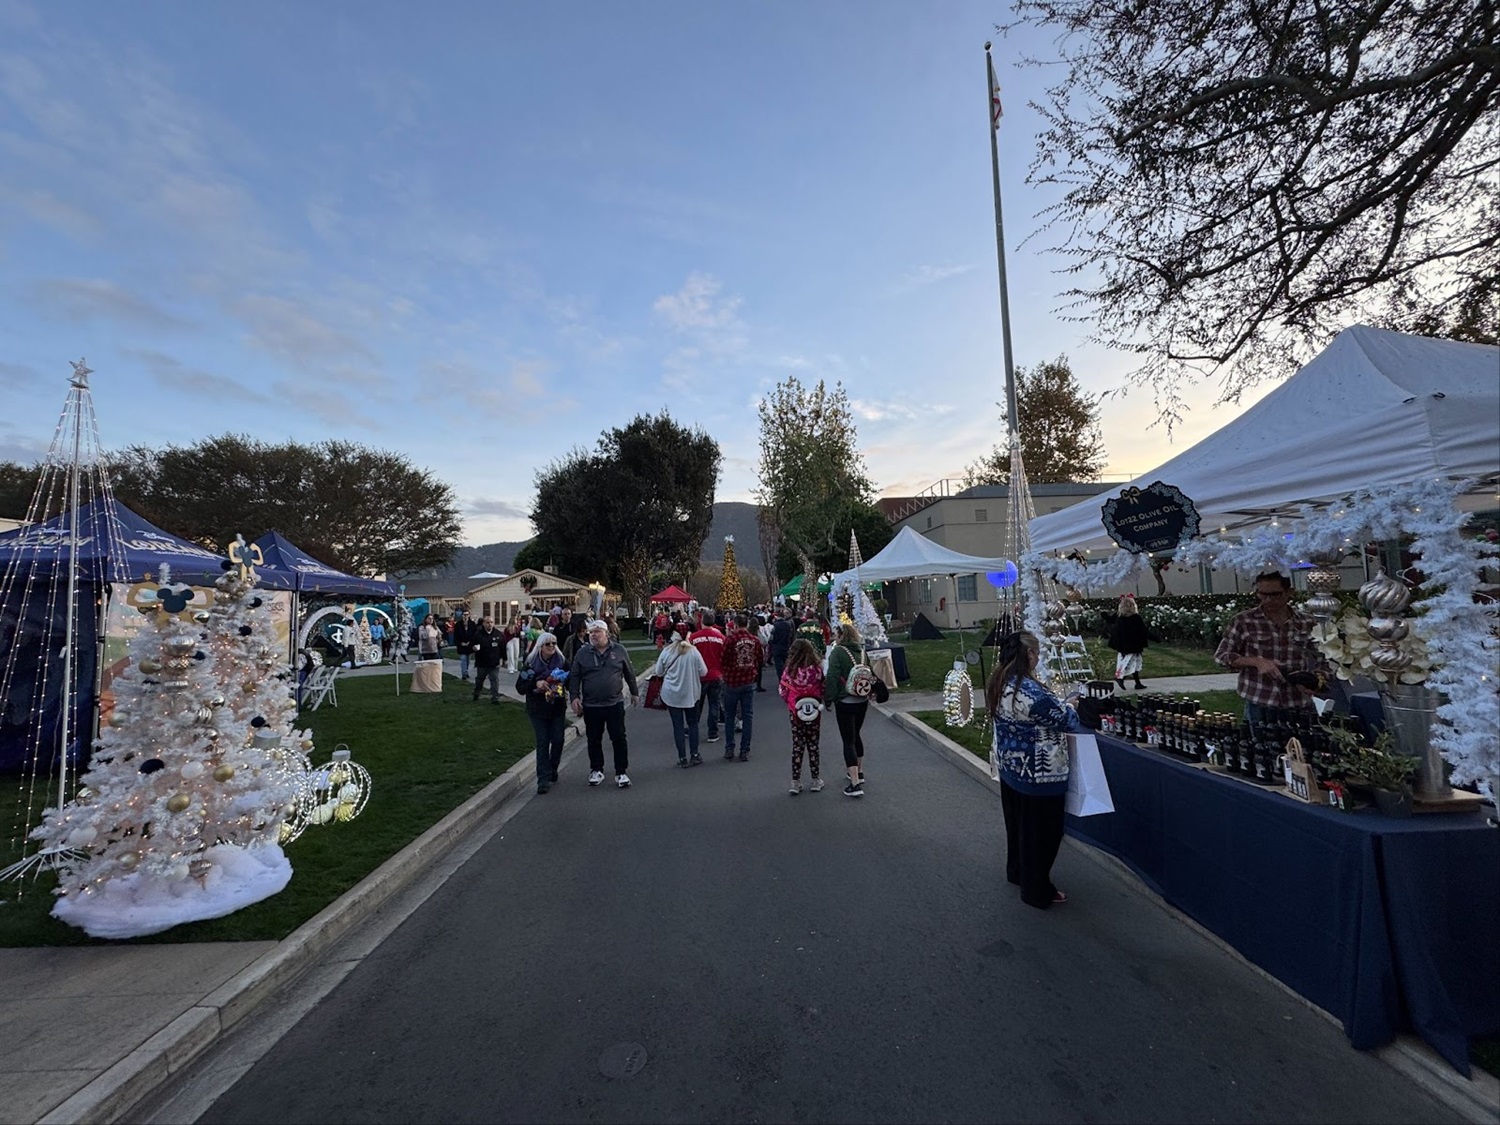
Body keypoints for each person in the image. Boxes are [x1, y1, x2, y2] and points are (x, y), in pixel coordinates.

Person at [986, 630, 1083, 910]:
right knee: (1043, 835)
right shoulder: (1030, 692)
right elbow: (1066, 721)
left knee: (1018, 828)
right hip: (1040, 775)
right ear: (1028, 654)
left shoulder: (999, 682)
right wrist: (1071, 705)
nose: (1038, 658)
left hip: (1011, 769)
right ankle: (1037, 889)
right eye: (1037, 653)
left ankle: (1017, 872)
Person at [1214, 571, 1326, 728]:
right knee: (1258, 742)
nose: (1268, 600)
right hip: (1260, 700)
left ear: (1289, 593)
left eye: (1275, 595)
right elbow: (1221, 656)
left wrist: (1315, 682)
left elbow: (1324, 659)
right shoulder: (1244, 621)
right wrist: (1256, 662)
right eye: (1262, 594)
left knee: (1303, 743)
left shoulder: (1307, 622)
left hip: (1299, 702)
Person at [569, 619, 639, 788]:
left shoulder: (619, 650)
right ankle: (596, 770)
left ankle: (621, 772)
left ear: (606, 633)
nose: (593, 635)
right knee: (594, 739)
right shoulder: (583, 653)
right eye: (591, 632)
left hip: (614, 703)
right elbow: (575, 676)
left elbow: (628, 672)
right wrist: (574, 697)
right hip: (591, 705)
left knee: (618, 738)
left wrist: (634, 692)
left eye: (597, 632)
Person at [823, 623, 871, 797]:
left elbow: (832, 675)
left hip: (845, 700)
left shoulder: (838, 652)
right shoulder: (862, 652)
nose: (834, 638)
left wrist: (829, 697)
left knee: (848, 740)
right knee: (856, 734)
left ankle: (855, 784)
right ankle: (859, 771)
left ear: (842, 636)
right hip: (862, 699)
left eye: (836, 635)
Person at [519, 632, 568, 794]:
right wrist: (536, 683)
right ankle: (543, 779)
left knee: (558, 740)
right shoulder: (530, 664)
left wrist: (573, 694)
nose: (552, 646)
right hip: (537, 709)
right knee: (543, 742)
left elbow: (572, 679)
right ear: (540, 646)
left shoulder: (562, 661)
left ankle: (553, 768)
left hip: (557, 708)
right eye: (548, 644)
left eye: (554, 643)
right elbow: (520, 687)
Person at [654, 631, 708, 767]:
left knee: (677, 726)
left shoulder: (667, 652)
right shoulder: (694, 652)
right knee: (693, 724)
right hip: (691, 693)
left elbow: (659, 671)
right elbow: (704, 671)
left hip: (672, 694)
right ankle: (695, 754)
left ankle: (682, 758)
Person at [779, 638, 826, 795]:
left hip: (796, 712)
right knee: (813, 745)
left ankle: (795, 781)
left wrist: (791, 702)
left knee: (797, 746)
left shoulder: (790, 670)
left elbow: (782, 691)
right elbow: (823, 687)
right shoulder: (817, 670)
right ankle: (815, 779)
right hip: (814, 711)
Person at [721, 613, 765, 762]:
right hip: (748, 681)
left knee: (729, 716)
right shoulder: (755, 640)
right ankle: (745, 749)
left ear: (735, 624)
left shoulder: (730, 640)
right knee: (747, 716)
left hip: (732, 682)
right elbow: (760, 659)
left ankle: (729, 747)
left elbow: (723, 659)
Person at [689, 610, 727, 745]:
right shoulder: (721, 638)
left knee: (696, 705)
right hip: (716, 675)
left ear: (701, 621)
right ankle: (713, 732)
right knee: (714, 704)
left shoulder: (693, 638)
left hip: (699, 676)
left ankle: (693, 729)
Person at [1108, 595, 1150, 691]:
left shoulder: (1121, 619)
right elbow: (1143, 631)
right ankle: (1121, 678)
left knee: (1131, 663)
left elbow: (1116, 633)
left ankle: (1137, 683)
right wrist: (1155, 638)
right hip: (1134, 645)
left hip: (1124, 647)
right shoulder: (1136, 618)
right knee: (1131, 663)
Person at [470, 616, 506, 703]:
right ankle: (476, 693)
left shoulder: (498, 634)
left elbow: (503, 647)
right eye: (488, 622)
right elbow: (471, 645)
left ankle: (495, 698)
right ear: (483, 623)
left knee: (494, 680)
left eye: (491, 622)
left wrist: (504, 659)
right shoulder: (478, 634)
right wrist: (473, 648)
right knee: (480, 680)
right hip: (482, 662)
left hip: (494, 662)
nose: (490, 624)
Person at [769, 607, 794, 681]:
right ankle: (787, 678)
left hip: (777, 647)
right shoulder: (788, 625)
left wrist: (772, 644)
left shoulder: (774, 625)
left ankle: (781, 679)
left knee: (779, 666)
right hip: (786, 646)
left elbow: (771, 638)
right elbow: (791, 635)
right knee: (786, 664)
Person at [755, 613, 773, 692]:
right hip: (759, 651)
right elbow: (765, 640)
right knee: (759, 670)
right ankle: (758, 685)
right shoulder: (760, 630)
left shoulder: (748, 632)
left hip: (750, 653)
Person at [452, 612, 473, 682]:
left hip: (469, 645)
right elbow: (456, 635)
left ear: (469, 615)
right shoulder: (458, 624)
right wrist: (460, 643)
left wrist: (470, 642)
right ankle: (464, 673)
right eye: (464, 615)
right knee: (463, 658)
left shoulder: (472, 624)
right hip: (461, 645)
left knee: (468, 659)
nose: (465, 616)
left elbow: (474, 634)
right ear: (462, 615)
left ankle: (466, 671)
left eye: (467, 615)